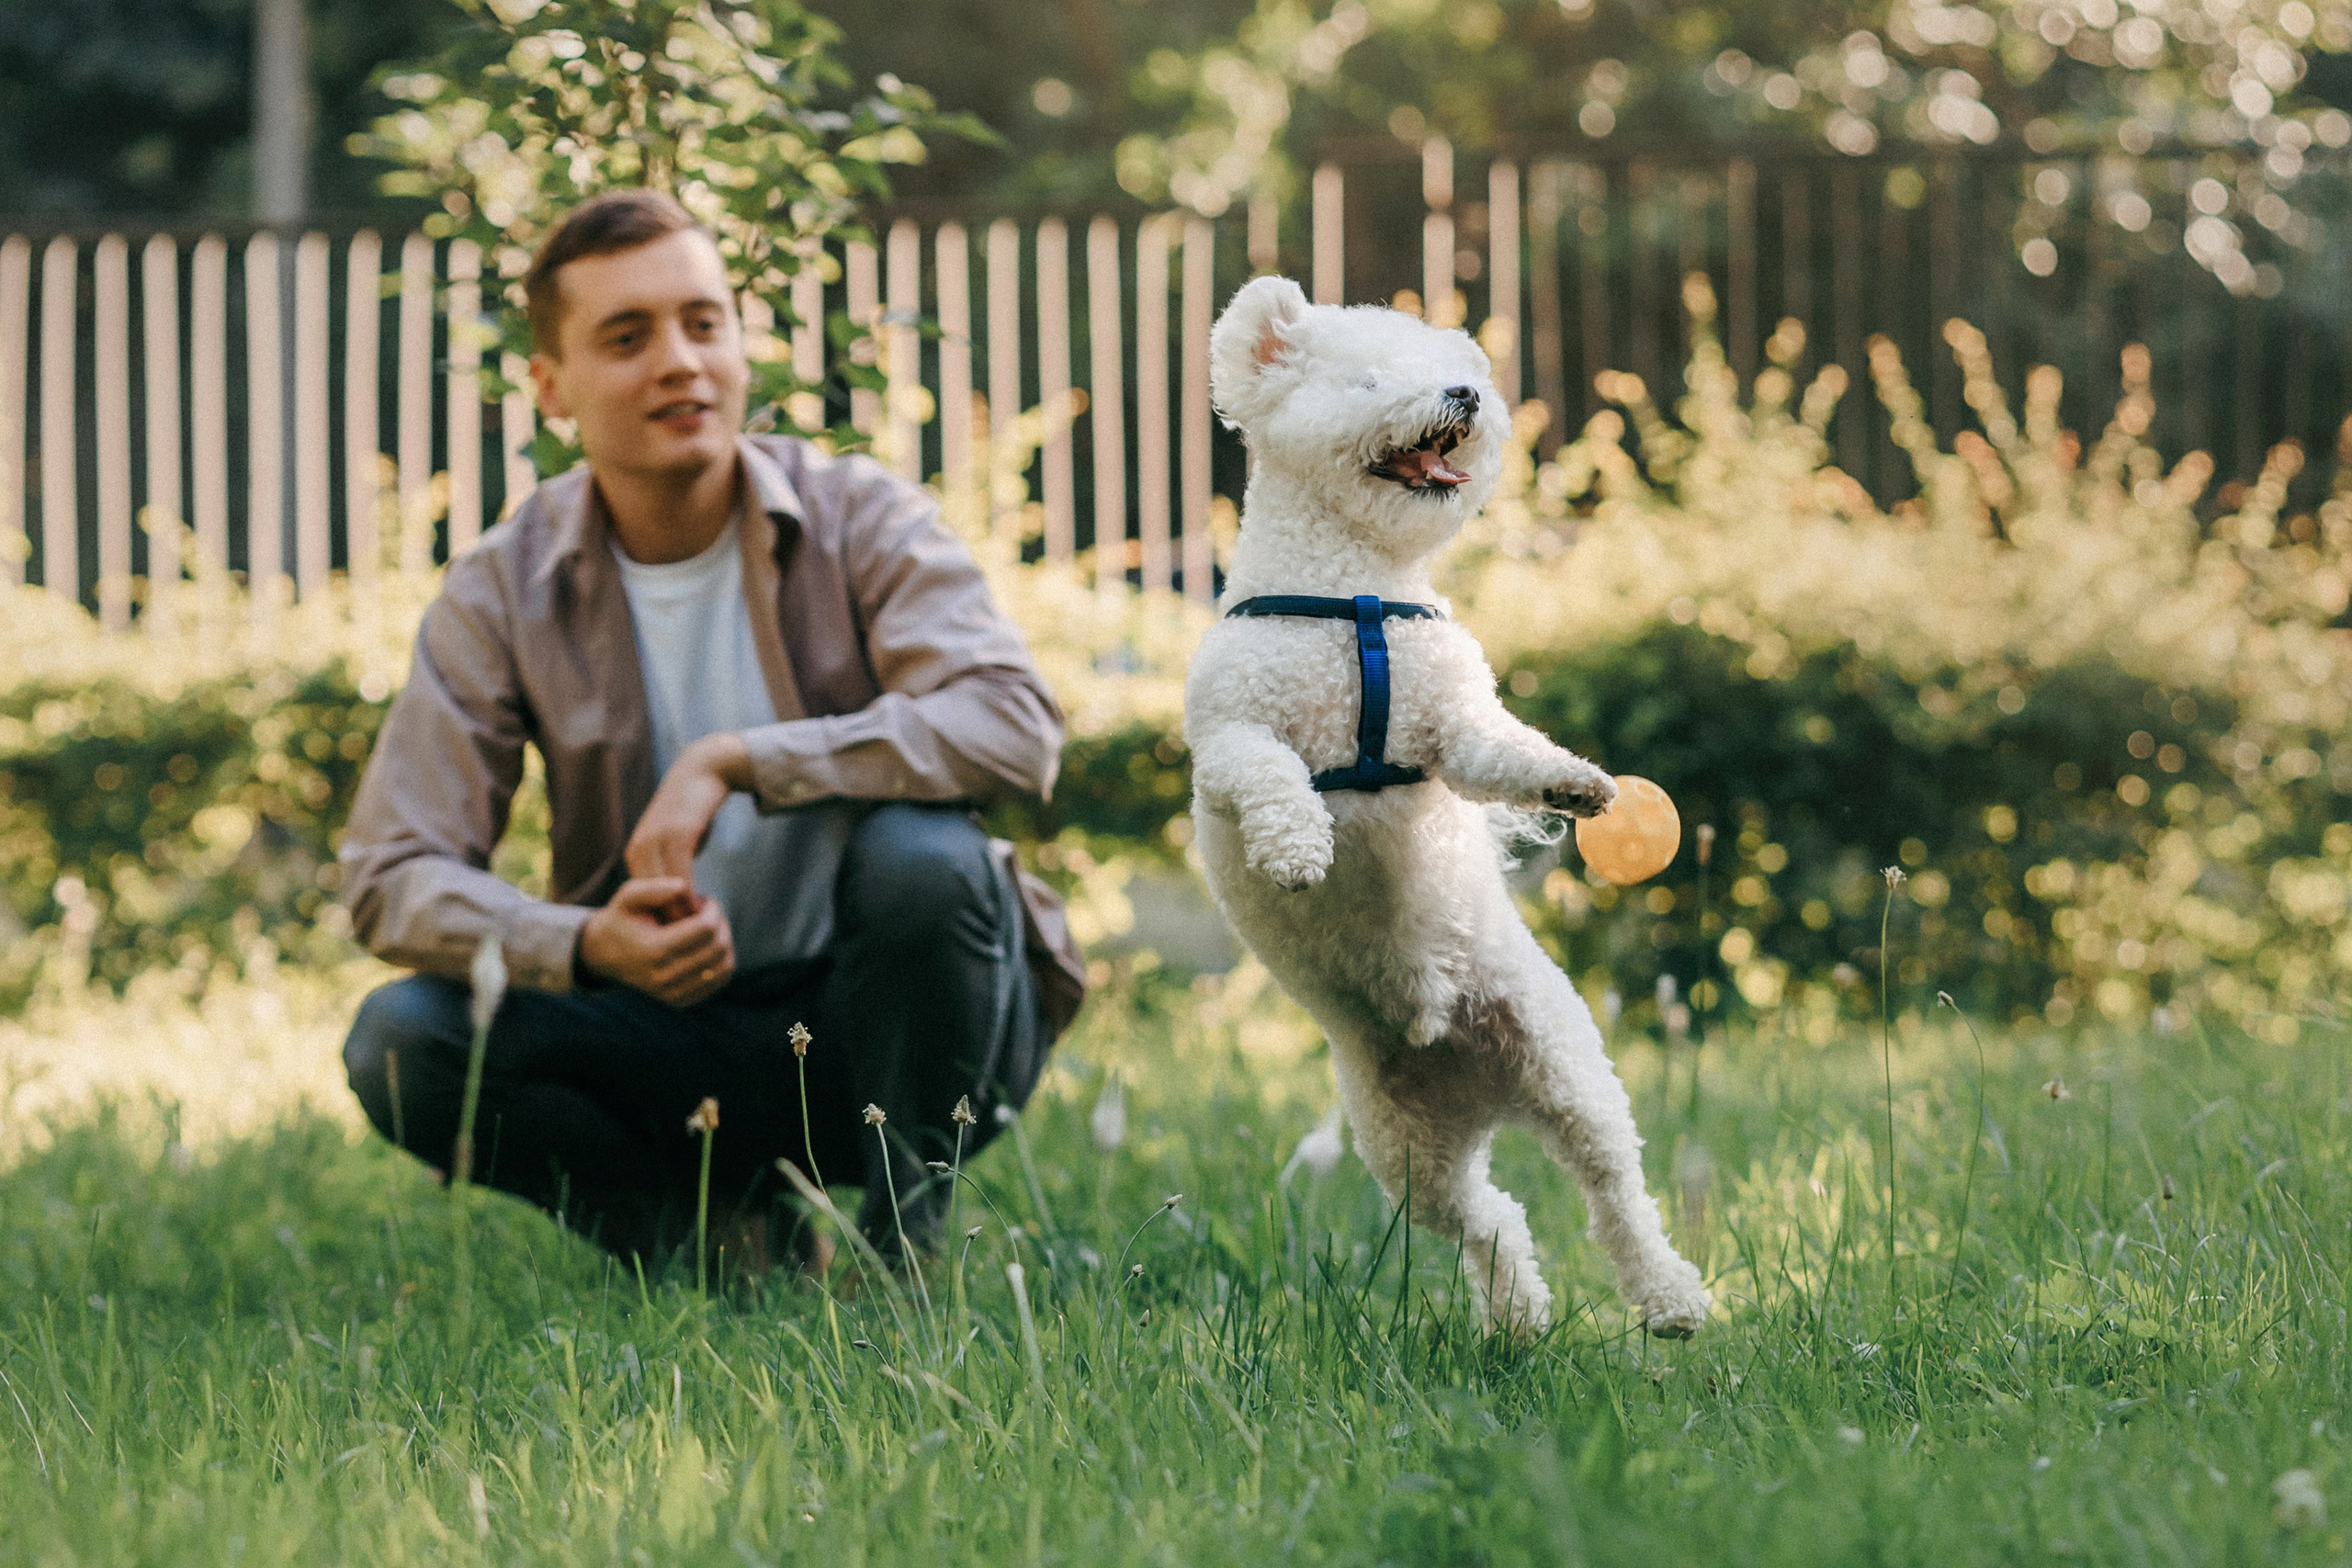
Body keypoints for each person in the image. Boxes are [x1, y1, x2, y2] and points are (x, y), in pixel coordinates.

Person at [336, 188, 1083, 1271]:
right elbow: (388, 872)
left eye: (703, 322)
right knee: (403, 1042)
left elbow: (1013, 726)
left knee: (924, 861)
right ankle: (708, 1242)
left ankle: (903, 1250)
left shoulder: (858, 517)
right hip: (663, 1033)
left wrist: (739, 761)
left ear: (740, 342)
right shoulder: (504, 589)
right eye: (627, 337)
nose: (680, 361)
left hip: (894, 1022)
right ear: (551, 386)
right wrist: (585, 944)